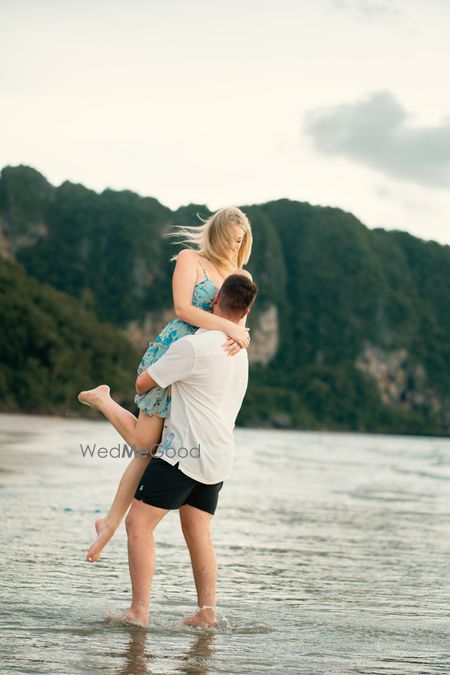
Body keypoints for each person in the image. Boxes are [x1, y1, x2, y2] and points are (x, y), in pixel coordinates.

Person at [77, 207, 253, 562]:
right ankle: (105, 403)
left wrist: (242, 336)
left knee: (152, 451)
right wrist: (230, 328)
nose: (234, 246)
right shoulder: (192, 259)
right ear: (216, 235)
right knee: (144, 444)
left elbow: (241, 322)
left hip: (206, 371)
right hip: (175, 355)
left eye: (241, 241)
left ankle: (109, 522)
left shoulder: (241, 276)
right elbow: (183, 310)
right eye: (230, 239)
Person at [123, 273, 258, 627]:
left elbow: (142, 383)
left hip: (184, 454)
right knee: (198, 531)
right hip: (219, 457)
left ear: (214, 302)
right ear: (246, 312)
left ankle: (138, 612)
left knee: (138, 524)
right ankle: (206, 613)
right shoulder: (240, 352)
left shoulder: (193, 347)